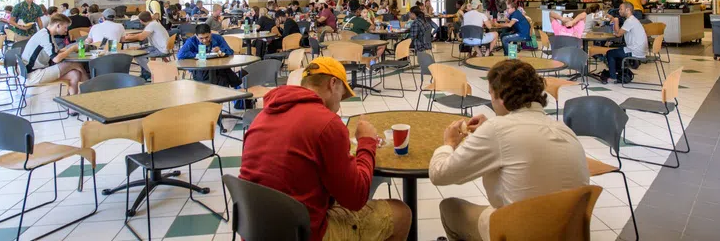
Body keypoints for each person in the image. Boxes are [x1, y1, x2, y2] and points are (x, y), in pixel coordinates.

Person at [239, 57, 411, 241]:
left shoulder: (263, 115)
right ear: (333, 83)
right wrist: (366, 141)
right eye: (342, 95)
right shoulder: (326, 123)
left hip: (256, 231)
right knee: (401, 213)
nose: (339, 104)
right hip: (303, 234)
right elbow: (356, 198)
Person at [429, 59, 589, 241]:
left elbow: (439, 174)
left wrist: (448, 143)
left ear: (502, 99)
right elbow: (520, 142)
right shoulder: (565, 131)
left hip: (519, 232)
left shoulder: (498, 129)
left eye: (491, 95)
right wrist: (489, 129)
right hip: (566, 232)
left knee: (450, 208)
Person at [21, 13, 89, 100]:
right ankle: (89, 92)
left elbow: (56, 52)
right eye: (65, 27)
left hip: (32, 71)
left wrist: (69, 49)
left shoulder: (45, 33)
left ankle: (72, 104)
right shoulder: (46, 36)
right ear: (58, 25)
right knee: (75, 64)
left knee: (75, 74)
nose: (66, 30)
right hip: (34, 74)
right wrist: (71, 49)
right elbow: (56, 59)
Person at [603, 2, 649, 84]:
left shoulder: (630, 21)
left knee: (610, 53)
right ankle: (619, 73)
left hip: (635, 50)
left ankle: (613, 77)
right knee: (616, 51)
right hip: (638, 49)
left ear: (628, 10)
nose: (619, 11)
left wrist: (615, 20)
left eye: (621, 9)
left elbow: (618, 34)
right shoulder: (633, 20)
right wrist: (614, 19)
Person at [124, 11, 171, 80]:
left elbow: (141, 37)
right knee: (138, 50)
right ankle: (146, 75)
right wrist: (132, 35)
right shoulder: (154, 23)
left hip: (160, 50)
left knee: (137, 56)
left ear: (141, 21)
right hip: (161, 47)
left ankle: (154, 72)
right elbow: (143, 34)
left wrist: (128, 37)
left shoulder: (151, 25)